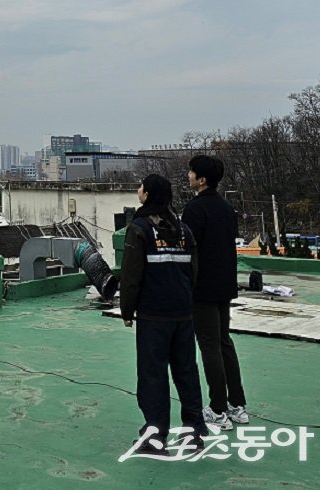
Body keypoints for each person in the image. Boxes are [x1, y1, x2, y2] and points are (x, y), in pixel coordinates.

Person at [120, 174, 206, 455]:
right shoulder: (183, 230)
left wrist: (127, 309)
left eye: (141, 186)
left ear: (147, 194)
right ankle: (193, 433)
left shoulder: (140, 228)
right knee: (186, 372)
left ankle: (155, 437)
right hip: (182, 313)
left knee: (153, 375)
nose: (138, 189)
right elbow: (193, 271)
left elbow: (131, 275)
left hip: (153, 315)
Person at [182, 154, 248, 431]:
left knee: (209, 346)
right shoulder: (225, 209)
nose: (188, 176)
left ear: (202, 179)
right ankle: (237, 405)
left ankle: (218, 409)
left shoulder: (195, 210)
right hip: (224, 284)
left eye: (191, 172)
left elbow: (188, 251)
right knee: (224, 342)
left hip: (203, 287)